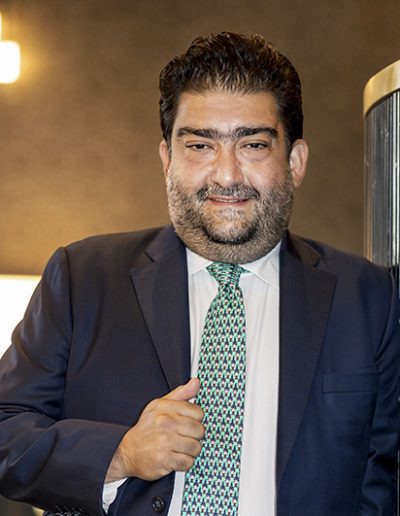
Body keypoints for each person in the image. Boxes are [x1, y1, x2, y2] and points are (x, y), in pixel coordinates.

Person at [0, 31, 398, 516]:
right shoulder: (82, 278)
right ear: (167, 159)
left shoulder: (368, 297)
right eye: (200, 145)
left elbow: (382, 485)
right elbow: (6, 430)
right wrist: (119, 454)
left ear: (295, 162)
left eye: (253, 144)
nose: (226, 175)